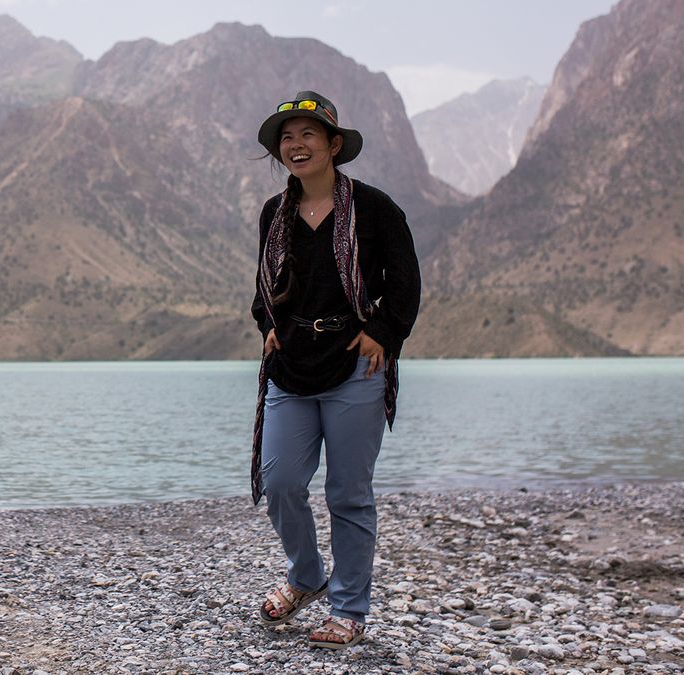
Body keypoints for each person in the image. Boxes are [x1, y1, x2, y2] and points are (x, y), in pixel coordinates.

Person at [249, 90, 421, 648]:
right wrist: (267, 324)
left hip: (354, 368)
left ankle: (348, 607)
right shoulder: (274, 215)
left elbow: (406, 283)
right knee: (279, 483)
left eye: (308, 136)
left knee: (348, 493)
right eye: (287, 138)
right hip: (291, 367)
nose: (296, 146)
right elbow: (265, 286)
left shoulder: (375, 209)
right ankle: (305, 576)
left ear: (334, 144)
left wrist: (383, 335)